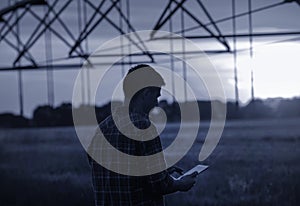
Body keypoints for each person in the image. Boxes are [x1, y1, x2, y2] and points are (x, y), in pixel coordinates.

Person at [87, 64, 197, 206]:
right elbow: (159, 185)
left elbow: (114, 172)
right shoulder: (144, 127)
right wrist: (181, 184)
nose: (157, 103)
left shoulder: (102, 128)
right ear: (145, 94)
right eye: (156, 96)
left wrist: (159, 171)